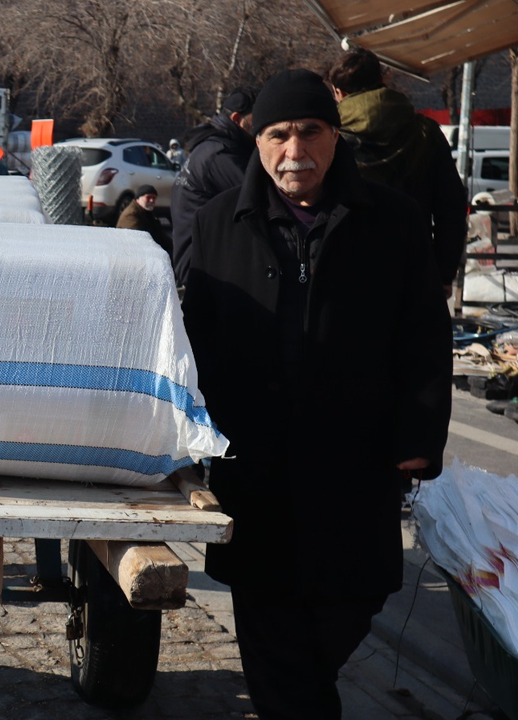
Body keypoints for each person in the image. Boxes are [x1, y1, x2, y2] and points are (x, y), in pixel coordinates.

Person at [181, 68, 451, 720]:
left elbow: (423, 334)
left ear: (334, 136)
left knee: (349, 604)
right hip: (257, 465)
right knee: (274, 638)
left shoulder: (391, 220)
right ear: (258, 141)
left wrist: (418, 437)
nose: (293, 149)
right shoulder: (221, 221)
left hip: (355, 461)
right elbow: (195, 336)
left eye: (308, 132)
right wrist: (189, 437)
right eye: (277, 134)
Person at [327, 47, 467, 295]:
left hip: (343, 266)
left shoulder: (330, 138)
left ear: (338, 92)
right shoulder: (426, 131)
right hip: (412, 266)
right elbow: (451, 209)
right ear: (382, 81)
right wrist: (444, 273)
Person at [170, 85, 258, 287]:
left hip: (200, 261)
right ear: (237, 119)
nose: (261, 128)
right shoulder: (220, 155)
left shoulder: (210, 146)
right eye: (257, 121)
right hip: (204, 267)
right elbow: (260, 198)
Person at [115, 184, 171, 255]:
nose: (151, 200)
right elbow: (137, 239)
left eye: (154, 198)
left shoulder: (146, 212)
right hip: (129, 253)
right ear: (138, 199)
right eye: (148, 197)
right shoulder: (131, 214)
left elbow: (160, 235)